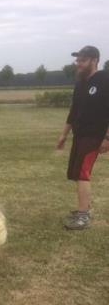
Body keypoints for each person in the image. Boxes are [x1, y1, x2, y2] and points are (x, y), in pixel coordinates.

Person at [56, 45, 109, 230]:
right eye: (77, 60)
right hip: (80, 135)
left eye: (82, 60)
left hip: (95, 136)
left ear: (94, 60)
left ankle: (83, 216)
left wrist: (107, 138)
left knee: (82, 174)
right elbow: (74, 110)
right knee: (75, 173)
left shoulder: (104, 79)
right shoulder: (80, 82)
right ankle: (83, 207)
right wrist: (64, 134)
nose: (78, 63)